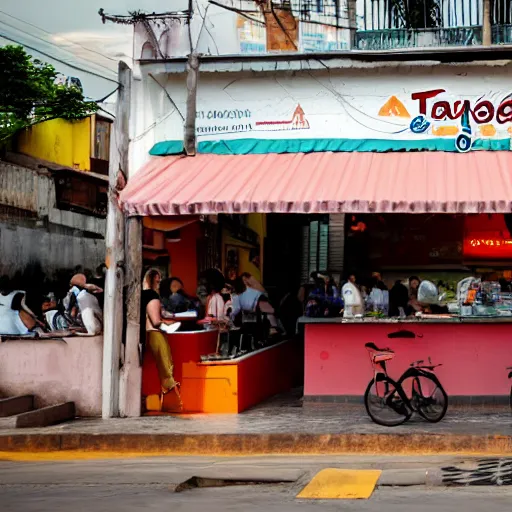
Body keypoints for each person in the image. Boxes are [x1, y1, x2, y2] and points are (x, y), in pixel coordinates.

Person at [141, 269, 182, 407]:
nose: (159, 283)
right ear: (152, 280)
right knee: (166, 367)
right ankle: (174, 401)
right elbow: (156, 321)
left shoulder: (140, 295)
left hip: (146, 334)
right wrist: (169, 323)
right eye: (157, 280)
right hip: (154, 333)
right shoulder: (152, 295)